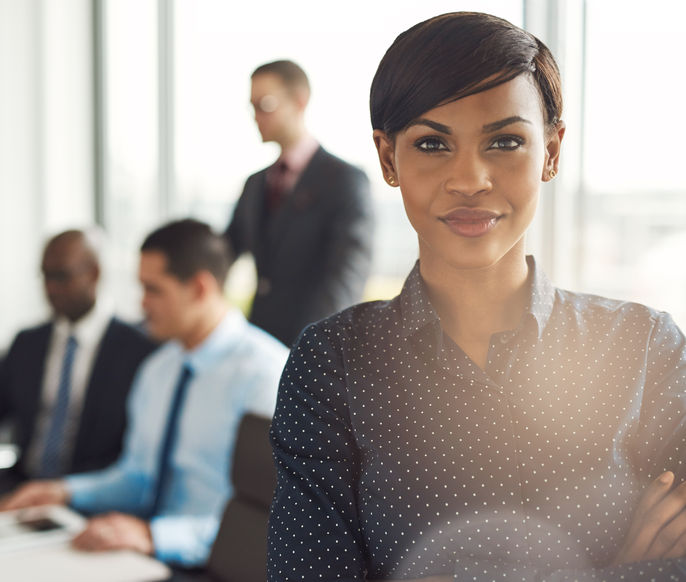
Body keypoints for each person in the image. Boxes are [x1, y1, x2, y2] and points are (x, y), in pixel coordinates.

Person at [267, 12, 686, 582]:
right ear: (389, 159)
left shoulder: (644, 350)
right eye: (433, 143)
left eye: (506, 141)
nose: (469, 179)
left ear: (552, 152)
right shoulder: (331, 363)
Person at [0, 219, 288, 567]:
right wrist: (66, 492)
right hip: (144, 554)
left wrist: (154, 536)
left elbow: (272, 522)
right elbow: (137, 478)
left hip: (217, 566)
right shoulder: (158, 369)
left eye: (153, 290)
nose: (141, 304)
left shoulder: (268, 378)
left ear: (199, 289)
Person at [0, 229, 156, 478]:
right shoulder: (28, 343)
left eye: (61, 276)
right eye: (45, 276)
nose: (51, 288)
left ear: (94, 274)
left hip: (89, 501)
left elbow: (135, 457)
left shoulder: (139, 350)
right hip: (21, 488)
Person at [225, 59, 374, 347]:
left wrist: (315, 348)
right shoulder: (255, 184)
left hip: (313, 346)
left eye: (264, 104)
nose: (256, 116)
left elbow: (346, 276)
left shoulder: (344, 180)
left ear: (299, 101)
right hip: (260, 338)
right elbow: (224, 252)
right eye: (252, 106)